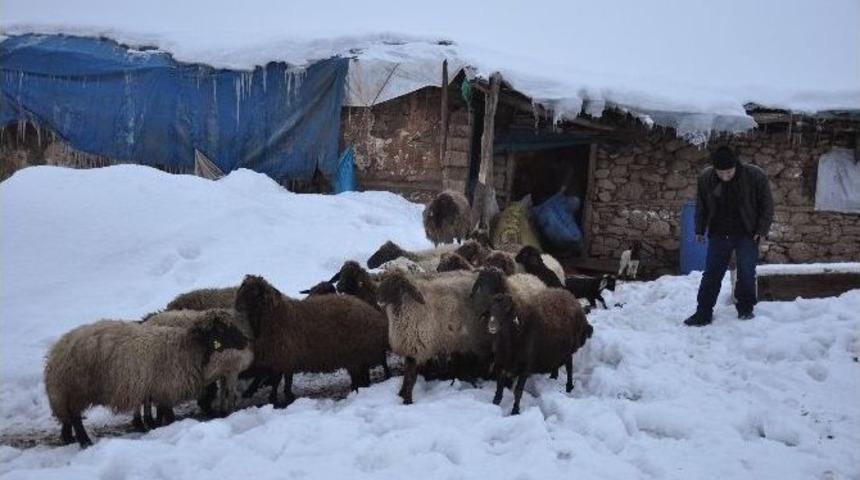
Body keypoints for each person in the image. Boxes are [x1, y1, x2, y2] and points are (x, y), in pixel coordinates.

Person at [684, 146, 774, 326]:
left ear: (736, 166)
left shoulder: (755, 176)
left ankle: (746, 308)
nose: (725, 176)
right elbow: (701, 206)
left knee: (747, 272)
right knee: (712, 274)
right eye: (720, 173)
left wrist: (761, 230)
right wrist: (699, 229)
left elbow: (767, 205)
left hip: (747, 233)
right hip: (719, 233)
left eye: (729, 172)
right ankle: (703, 312)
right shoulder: (706, 178)